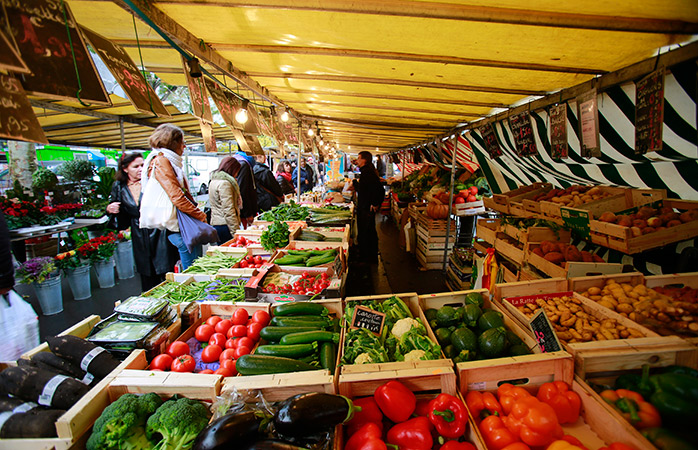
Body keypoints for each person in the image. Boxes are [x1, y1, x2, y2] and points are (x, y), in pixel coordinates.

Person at [140, 124, 207, 270]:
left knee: (193, 256)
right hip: (174, 223)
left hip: (179, 221)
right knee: (190, 263)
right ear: (173, 143)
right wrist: (199, 214)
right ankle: (191, 286)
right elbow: (176, 195)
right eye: (182, 143)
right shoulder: (162, 161)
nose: (184, 147)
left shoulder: (169, 161)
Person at [107, 152, 175, 291]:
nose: (140, 169)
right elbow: (116, 207)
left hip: (159, 230)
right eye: (135, 166)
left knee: (166, 268)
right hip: (138, 232)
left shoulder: (154, 181)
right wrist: (110, 208)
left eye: (142, 165)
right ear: (125, 169)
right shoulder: (119, 186)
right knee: (147, 273)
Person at [352, 151, 386, 263]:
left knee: (366, 232)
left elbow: (378, 190)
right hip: (365, 207)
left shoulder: (367, 173)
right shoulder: (367, 172)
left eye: (359, 158)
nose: (357, 160)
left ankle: (367, 257)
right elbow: (367, 189)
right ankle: (369, 255)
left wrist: (375, 203)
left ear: (364, 160)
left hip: (366, 208)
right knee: (368, 231)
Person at [208, 156, 242, 244]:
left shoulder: (214, 180)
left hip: (217, 223)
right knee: (230, 252)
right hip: (225, 225)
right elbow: (228, 209)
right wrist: (235, 232)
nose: (237, 174)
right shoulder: (225, 183)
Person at [232, 149, 258, 227]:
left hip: (242, 209)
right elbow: (243, 190)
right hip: (245, 211)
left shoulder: (238, 161)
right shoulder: (244, 164)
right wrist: (248, 213)